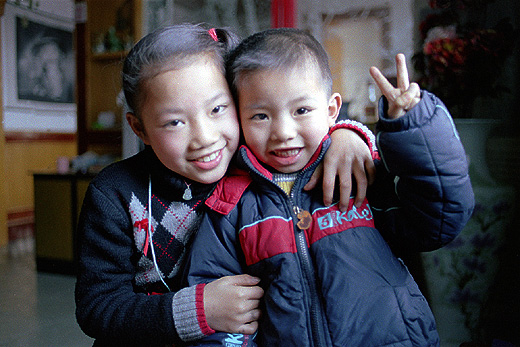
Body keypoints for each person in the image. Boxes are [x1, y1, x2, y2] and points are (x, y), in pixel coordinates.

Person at [74, 24, 375, 346]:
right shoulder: (115, 193)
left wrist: (346, 134)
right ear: (140, 128)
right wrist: (198, 309)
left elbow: (299, 130)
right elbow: (97, 307)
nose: (205, 138)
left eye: (218, 109)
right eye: (175, 122)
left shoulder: (255, 166)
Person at [185, 28, 474, 346]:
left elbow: (439, 220)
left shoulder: (358, 170)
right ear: (238, 118)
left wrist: (413, 126)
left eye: (301, 110)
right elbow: (220, 312)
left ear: (332, 109)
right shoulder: (231, 206)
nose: (283, 132)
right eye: (260, 115)